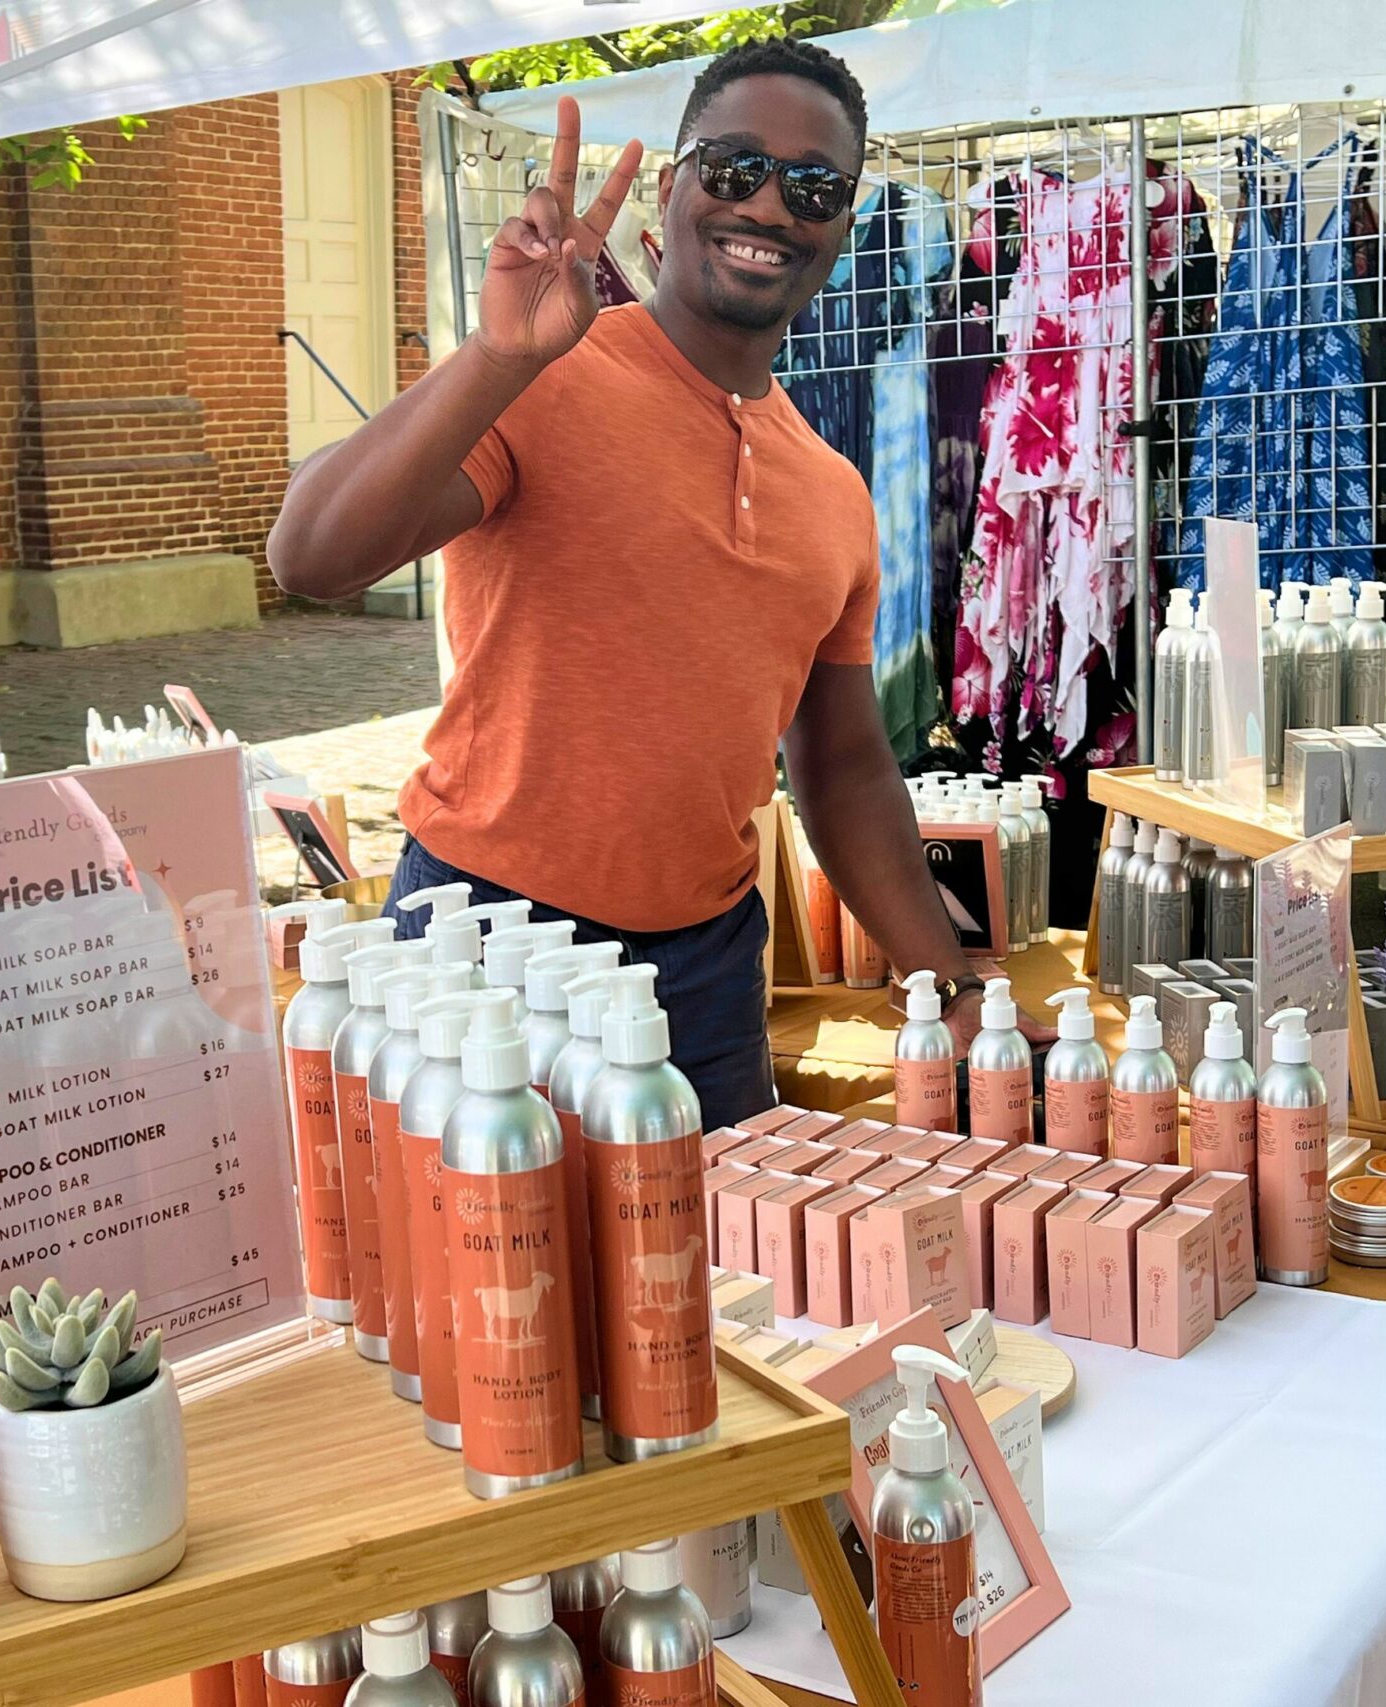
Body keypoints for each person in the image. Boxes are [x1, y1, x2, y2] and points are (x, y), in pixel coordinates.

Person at [268, 40, 982, 1124]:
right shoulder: (544, 381)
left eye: (814, 185)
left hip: (703, 972)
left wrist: (956, 983)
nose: (770, 206)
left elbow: (840, 766)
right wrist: (497, 362)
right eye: (734, 166)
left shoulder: (834, 493)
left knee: (720, 1287)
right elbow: (312, 557)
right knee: (494, 1286)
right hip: (484, 945)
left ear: (843, 228)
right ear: (670, 188)